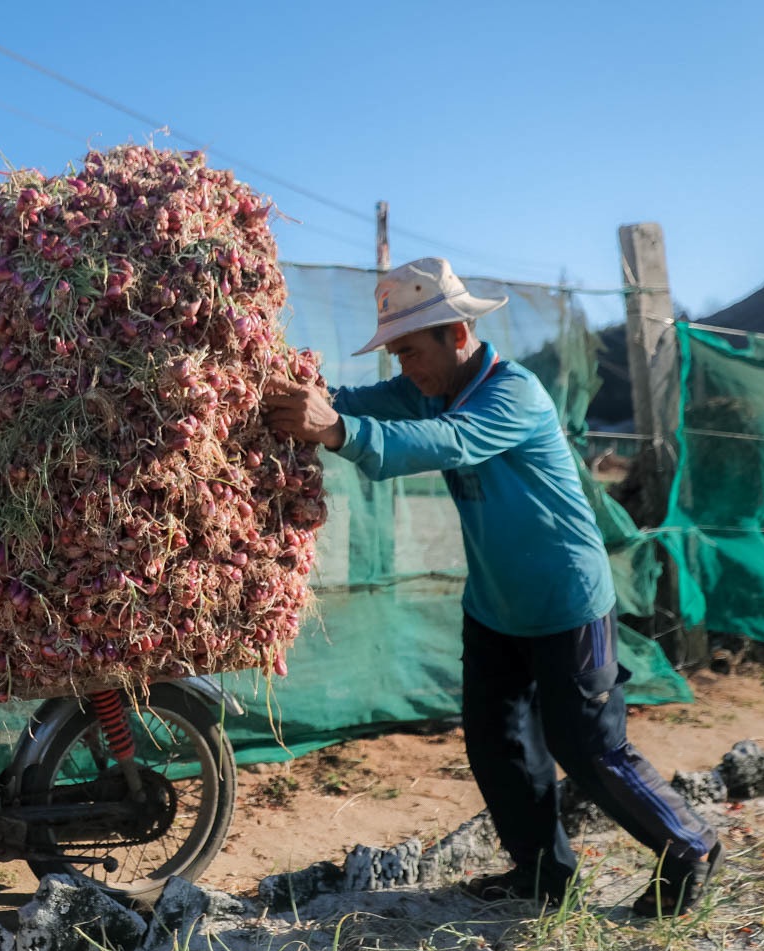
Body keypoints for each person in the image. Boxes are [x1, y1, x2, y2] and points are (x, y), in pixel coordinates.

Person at [265, 257, 721, 917]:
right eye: (395, 354)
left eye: (411, 350)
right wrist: (291, 398)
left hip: (566, 600)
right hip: (496, 606)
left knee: (587, 745)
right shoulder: (426, 387)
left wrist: (334, 430)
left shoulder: (514, 393)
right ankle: (543, 876)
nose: (403, 367)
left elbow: (447, 442)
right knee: (497, 742)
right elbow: (355, 403)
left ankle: (690, 844)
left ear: (455, 334)